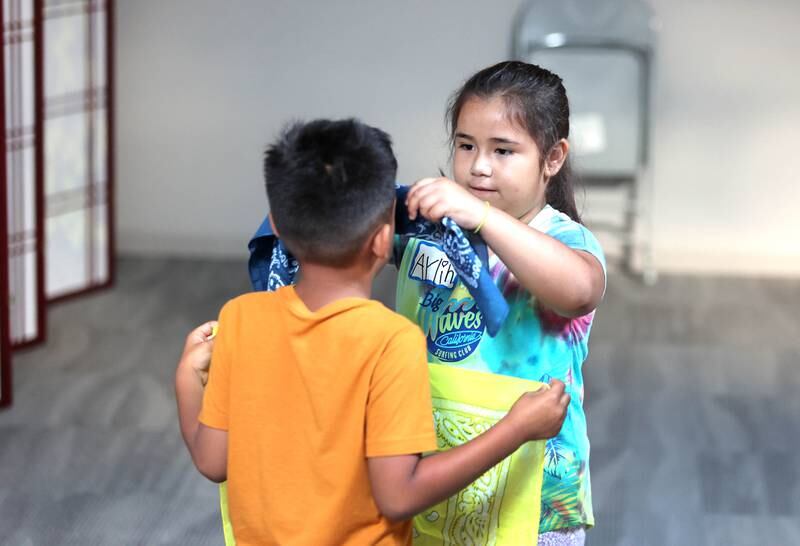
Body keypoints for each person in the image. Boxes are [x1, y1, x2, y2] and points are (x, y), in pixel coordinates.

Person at [175, 118, 570, 546]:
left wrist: (185, 379)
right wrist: (516, 428)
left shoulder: (240, 318)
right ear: (384, 239)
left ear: (277, 226)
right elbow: (399, 495)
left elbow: (213, 460)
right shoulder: (391, 343)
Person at [395, 61, 606, 545]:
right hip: (435, 474)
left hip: (536, 496)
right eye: (466, 145)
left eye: (503, 150)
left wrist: (482, 216)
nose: (478, 165)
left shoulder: (563, 239)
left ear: (552, 158)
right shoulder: (429, 232)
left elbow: (578, 291)